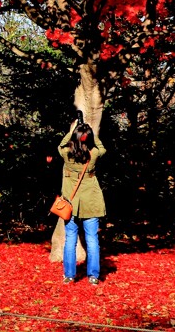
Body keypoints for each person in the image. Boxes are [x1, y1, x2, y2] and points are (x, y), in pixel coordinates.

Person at [58, 110, 105, 285]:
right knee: (92, 238)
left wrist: (73, 131)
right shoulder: (94, 154)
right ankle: (93, 276)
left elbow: (61, 145)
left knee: (70, 239)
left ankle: (69, 275)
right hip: (91, 201)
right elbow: (102, 148)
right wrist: (91, 133)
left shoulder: (66, 154)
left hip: (70, 202)